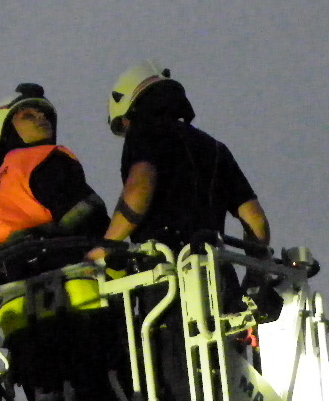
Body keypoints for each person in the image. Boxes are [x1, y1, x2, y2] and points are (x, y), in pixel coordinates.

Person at [89, 63, 269, 261]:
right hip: (217, 270)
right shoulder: (216, 149)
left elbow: (139, 190)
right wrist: (256, 273)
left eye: (123, 123)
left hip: (164, 268)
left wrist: (105, 247)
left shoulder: (143, 132)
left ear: (130, 107)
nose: (126, 130)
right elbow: (256, 219)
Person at [0, 83, 109, 283]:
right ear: (7, 129)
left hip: (15, 286)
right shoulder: (46, 160)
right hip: (69, 279)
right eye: (28, 115)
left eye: (44, 115)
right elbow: (91, 218)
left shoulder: (6, 178)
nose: (41, 118)